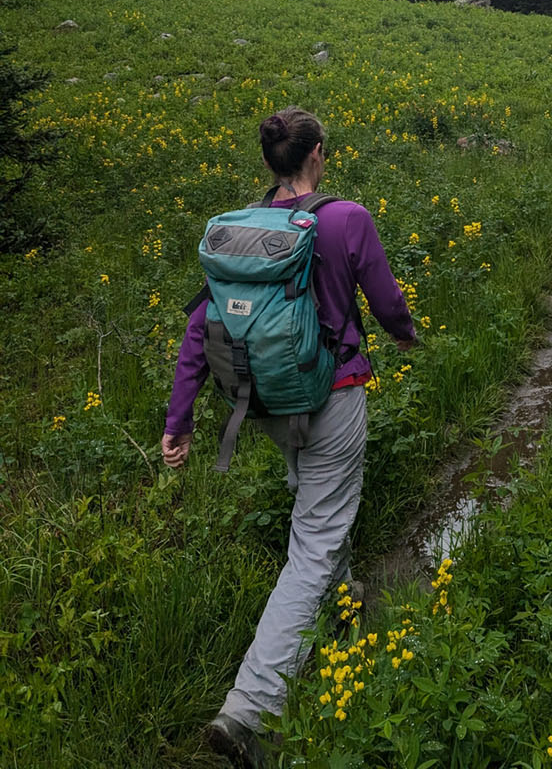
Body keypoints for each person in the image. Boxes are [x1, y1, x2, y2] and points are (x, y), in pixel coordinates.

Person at [162, 107, 416, 768]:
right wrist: (405, 333)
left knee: (317, 511)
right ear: (318, 155)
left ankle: (344, 604)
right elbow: (386, 301)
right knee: (312, 544)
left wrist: (179, 422)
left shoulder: (241, 229)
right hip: (332, 395)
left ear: (271, 162)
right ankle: (249, 707)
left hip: (266, 402)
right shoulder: (345, 218)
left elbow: (200, 329)